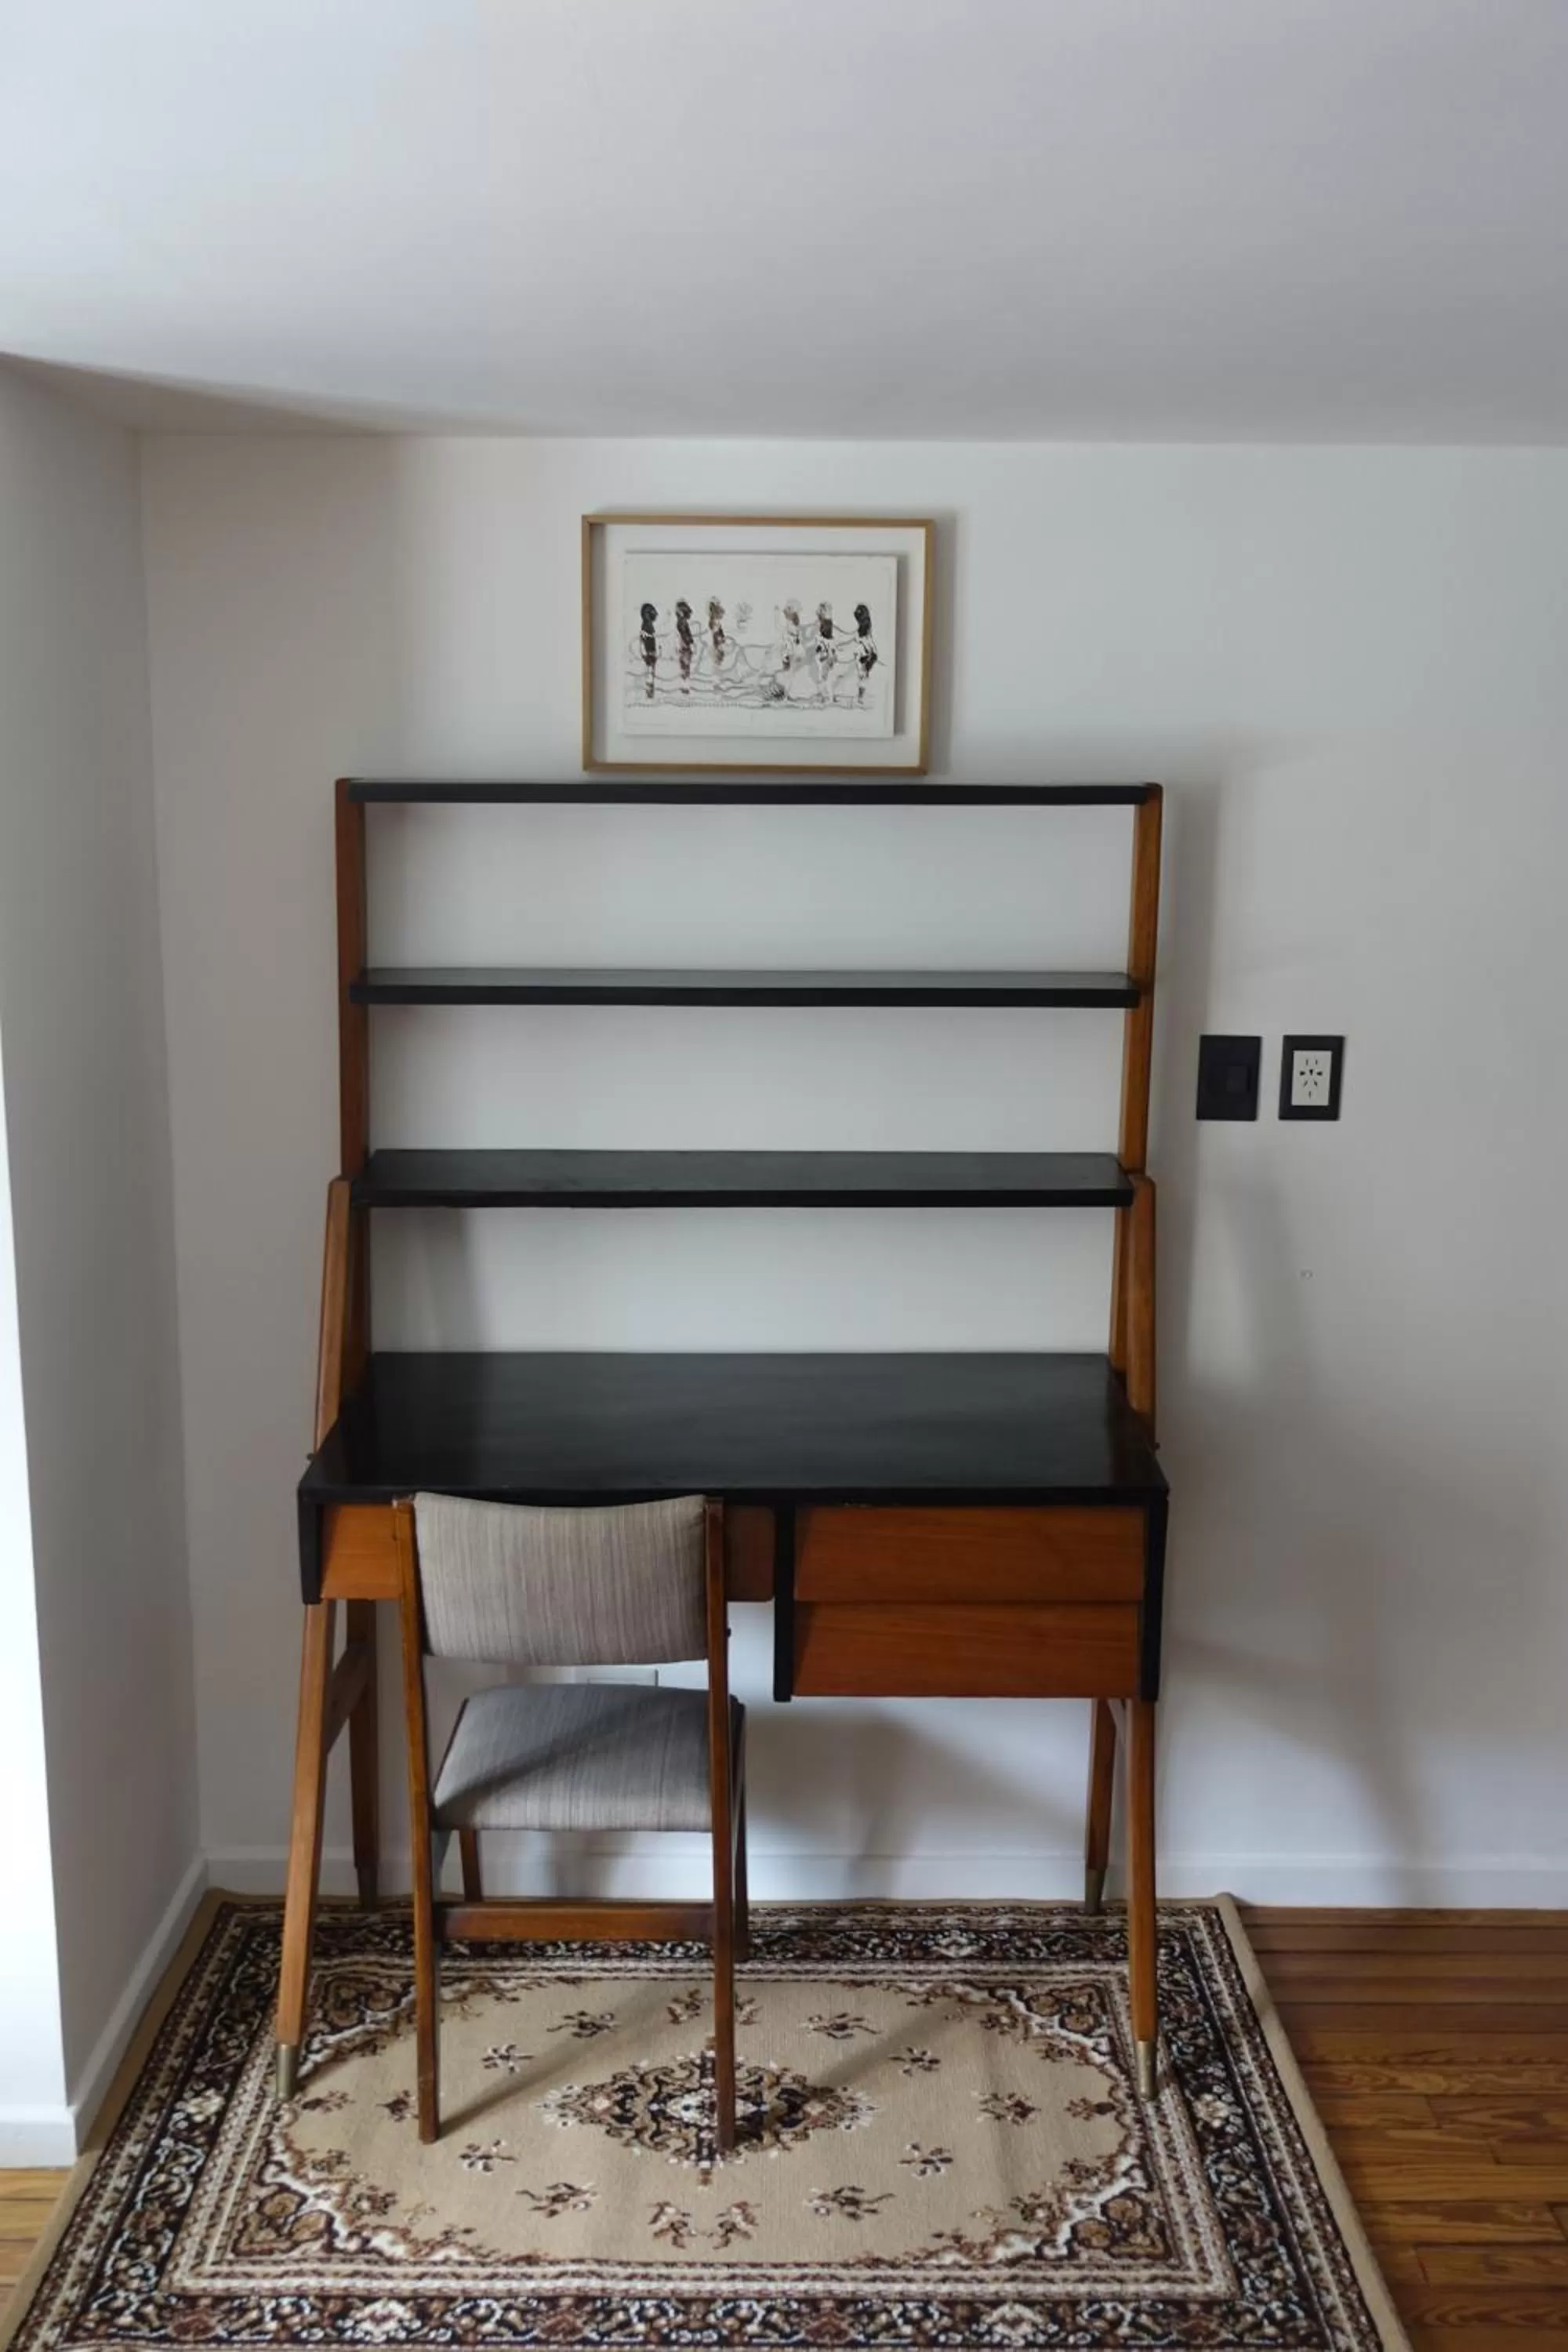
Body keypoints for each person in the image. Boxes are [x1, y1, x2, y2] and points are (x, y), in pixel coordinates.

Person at [851, 603, 878, 706]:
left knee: (863, 674)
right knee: (863, 674)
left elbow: (866, 638)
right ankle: (860, 696)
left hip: (863, 651)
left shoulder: (865, 626)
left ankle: (861, 696)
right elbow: (867, 638)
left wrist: (870, 651)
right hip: (863, 650)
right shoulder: (866, 625)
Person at [637, 601, 659, 701]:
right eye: (653, 612)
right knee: (650, 672)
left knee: (650, 671)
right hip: (649, 652)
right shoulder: (647, 626)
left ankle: (650, 691)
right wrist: (645, 652)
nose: (655, 615)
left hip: (650, 652)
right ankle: (649, 692)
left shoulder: (647, 625)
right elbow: (644, 639)